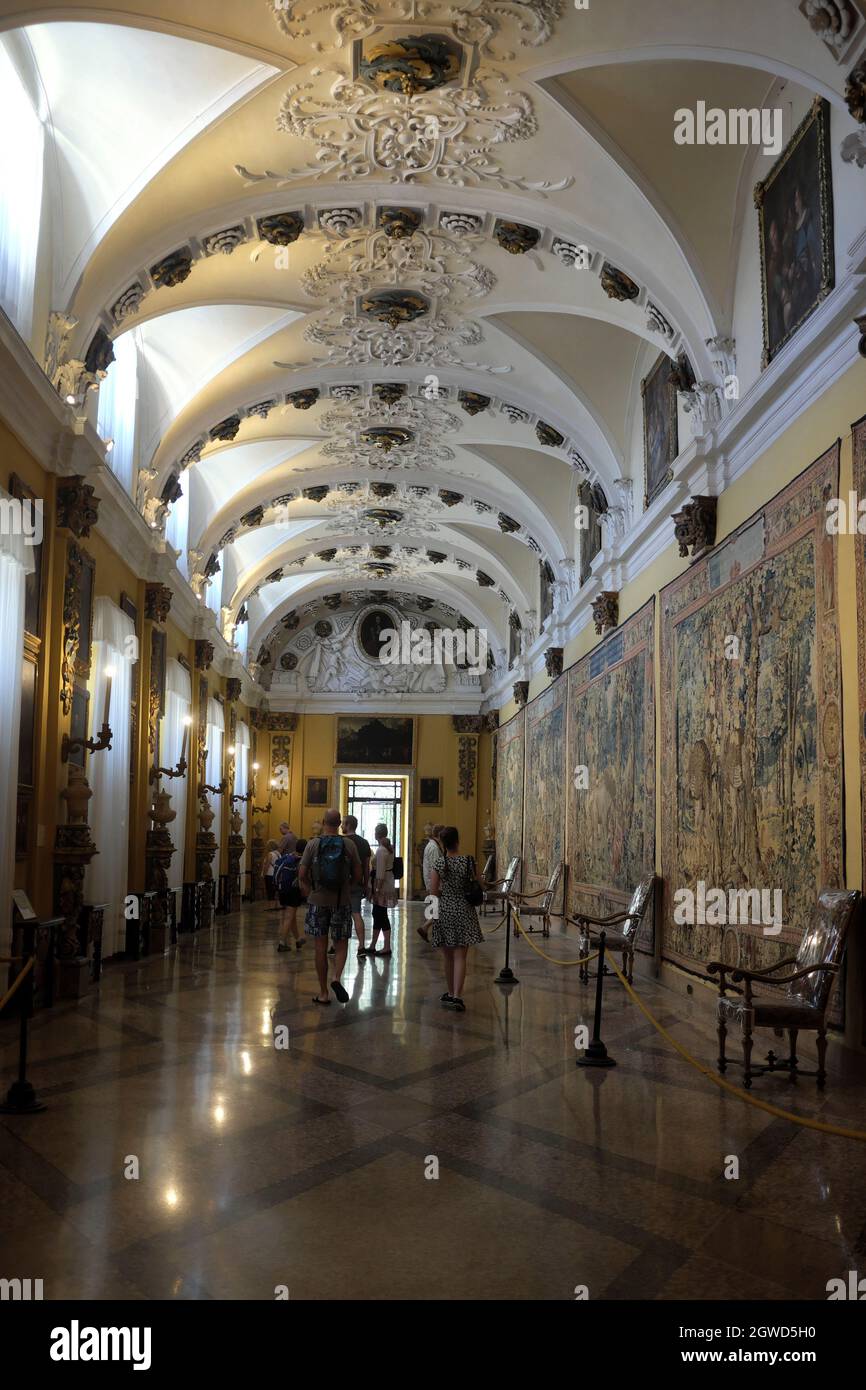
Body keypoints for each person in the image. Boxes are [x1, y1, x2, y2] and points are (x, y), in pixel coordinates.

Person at [298, 809, 363, 1005]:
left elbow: (301, 874)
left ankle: (324, 993)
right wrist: (347, 889)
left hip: (318, 901)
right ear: (339, 823)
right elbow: (358, 874)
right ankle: (336, 978)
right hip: (341, 902)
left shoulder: (313, 844)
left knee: (320, 947)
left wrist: (311, 890)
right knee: (341, 944)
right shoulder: (349, 844)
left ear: (324, 821)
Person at [428, 826, 484, 1012]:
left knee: (448, 956)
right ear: (458, 841)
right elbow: (478, 884)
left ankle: (451, 992)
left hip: (445, 910)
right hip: (464, 909)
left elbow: (433, 892)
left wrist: (431, 916)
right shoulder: (468, 861)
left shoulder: (440, 863)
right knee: (461, 956)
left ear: (443, 843)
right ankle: (457, 997)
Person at [341, 814, 372, 957]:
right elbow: (367, 867)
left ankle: (336, 946)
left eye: (343, 824)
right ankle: (361, 946)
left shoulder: (341, 841)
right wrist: (366, 884)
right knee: (356, 913)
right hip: (357, 883)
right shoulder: (364, 842)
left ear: (348, 825)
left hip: (342, 884)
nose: (341, 826)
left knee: (339, 916)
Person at [369, 822, 397, 957]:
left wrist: (377, 889)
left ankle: (386, 946)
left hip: (382, 885)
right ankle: (373, 944)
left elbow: (379, 873)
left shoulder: (381, 850)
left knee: (381, 915)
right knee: (378, 914)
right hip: (388, 882)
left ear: (377, 834)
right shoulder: (389, 847)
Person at [275, 837, 307, 952]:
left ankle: (298, 939)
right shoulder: (301, 860)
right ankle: (282, 942)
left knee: (291, 916)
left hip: (283, 890)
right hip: (293, 891)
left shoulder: (289, 856)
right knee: (289, 917)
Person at [418, 823, 444, 942]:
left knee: (438, 908)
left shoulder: (433, 845)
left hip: (433, 882)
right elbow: (437, 867)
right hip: (435, 883)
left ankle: (427, 928)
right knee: (441, 908)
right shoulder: (433, 848)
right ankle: (426, 928)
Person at [263, 838, 279, 909]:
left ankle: (270, 907)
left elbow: (267, 865)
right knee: (275, 890)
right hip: (276, 874)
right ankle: (276, 906)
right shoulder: (278, 853)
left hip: (269, 874)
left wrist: (263, 874)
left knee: (270, 891)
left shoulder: (270, 854)